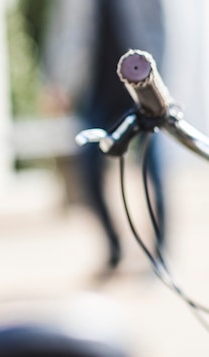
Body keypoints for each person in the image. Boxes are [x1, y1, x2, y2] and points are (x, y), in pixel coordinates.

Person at [42, 0, 168, 277]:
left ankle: (161, 254)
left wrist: (162, 87)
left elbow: (162, 27)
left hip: (142, 92)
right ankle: (113, 246)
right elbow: (60, 31)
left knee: (153, 171)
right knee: (87, 172)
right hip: (93, 91)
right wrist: (55, 81)